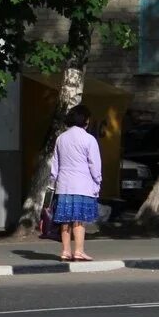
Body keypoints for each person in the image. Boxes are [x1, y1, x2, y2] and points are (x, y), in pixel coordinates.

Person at [50, 104, 103, 262]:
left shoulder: (61, 138)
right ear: (85, 120)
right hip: (83, 185)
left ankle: (65, 251)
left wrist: (53, 183)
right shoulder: (89, 139)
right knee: (79, 220)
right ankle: (79, 251)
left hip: (63, 184)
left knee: (64, 219)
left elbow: (55, 164)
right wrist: (97, 181)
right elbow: (95, 164)